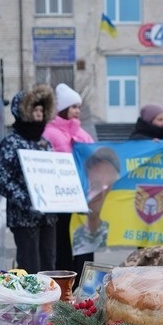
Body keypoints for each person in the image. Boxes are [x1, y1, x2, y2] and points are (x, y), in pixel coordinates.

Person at [0, 84, 56, 273]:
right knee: (30, 268)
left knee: (49, 266)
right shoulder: (11, 143)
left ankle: (50, 302)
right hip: (24, 218)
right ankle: (30, 303)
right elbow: (4, 180)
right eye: (34, 110)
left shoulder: (45, 144)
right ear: (23, 112)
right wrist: (28, 202)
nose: (39, 114)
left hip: (48, 217)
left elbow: (56, 177)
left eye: (41, 110)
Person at [43, 82, 95, 272]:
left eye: (79, 107)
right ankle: (64, 279)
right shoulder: (49, 133)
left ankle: (84, 279)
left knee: (84, 241)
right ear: (63, 108)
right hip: (60, 197)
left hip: (81, 196)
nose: (77, 111)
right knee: (62, 240)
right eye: (73, 106)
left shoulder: (83, 135)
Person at [71, 146, 121, 258]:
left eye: (108, 183)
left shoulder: (121, 229)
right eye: (96, 184)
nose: (100, 191)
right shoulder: (77, 233)